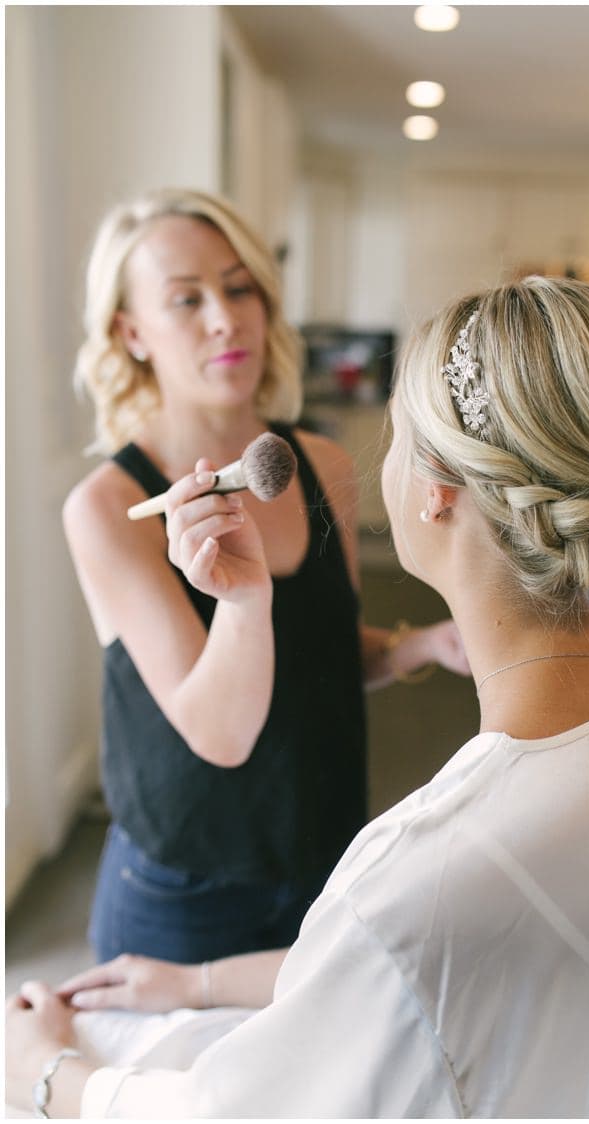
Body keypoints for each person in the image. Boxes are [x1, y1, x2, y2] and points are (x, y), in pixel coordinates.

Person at [8, 277, 589, 1118]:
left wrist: (44, 1071)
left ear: (436, 486)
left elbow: (233, 1109)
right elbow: (394, 967)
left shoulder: (422, 875)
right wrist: (194, 979)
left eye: (397, 434)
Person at [55, 189, 466, 969]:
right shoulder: (110, 508)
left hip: (326, 856)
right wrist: (242, 601)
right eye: (187, 299)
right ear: (130, 331)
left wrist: (422, 645)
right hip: (186, 888)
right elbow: (222, 733)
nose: (225, 316)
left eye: (239, 286)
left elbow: (324, 654)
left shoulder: (321, 464)